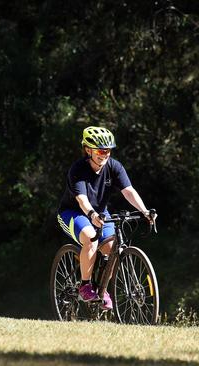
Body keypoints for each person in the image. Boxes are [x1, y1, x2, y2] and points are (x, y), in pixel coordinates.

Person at [57, 126, 153, 310]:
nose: (105, 154)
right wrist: (92, 214)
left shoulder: (114, 167)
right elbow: (82, 199)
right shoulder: (78, 170)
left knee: (112, 247)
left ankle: (102, 288)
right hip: (73, 212)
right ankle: (85, 285)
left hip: (100, 212)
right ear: (88, 150)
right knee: (91, 238)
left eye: (108, 150)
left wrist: (145, 211)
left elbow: (129, 191)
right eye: (101, 150)